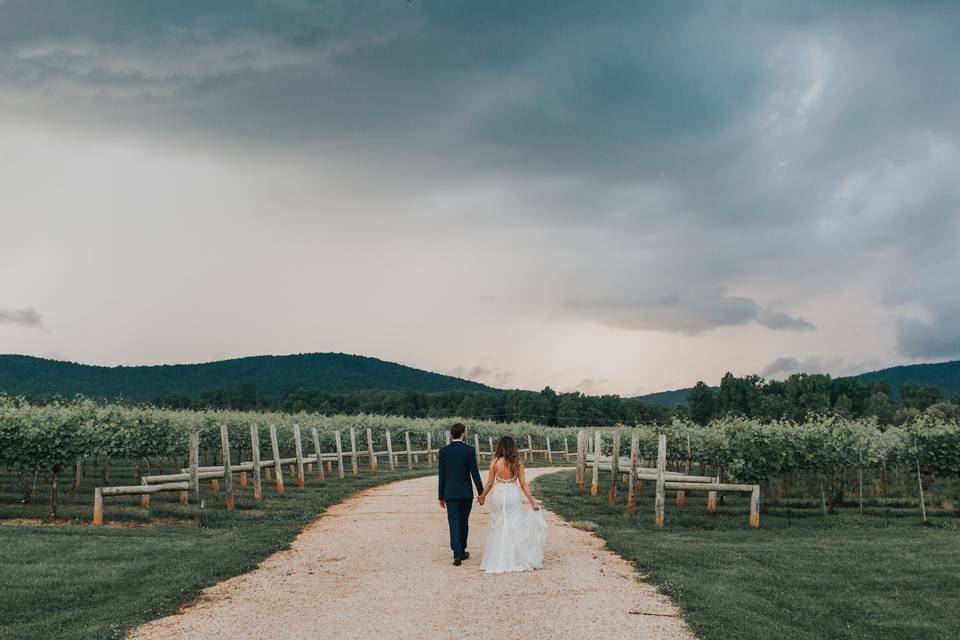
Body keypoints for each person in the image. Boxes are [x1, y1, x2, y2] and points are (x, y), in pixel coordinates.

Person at [477, 435, 548, 573]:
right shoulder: (517, 462)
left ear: (500, 447)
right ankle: (515, 557)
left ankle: (496, 558)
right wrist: (532, 501)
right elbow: (523, 484)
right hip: (512, 494)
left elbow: (490, 483)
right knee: (514, 524)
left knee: (498, 523)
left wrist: (482, 496)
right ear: (512, 447)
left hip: (498, 494)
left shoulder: (495, 462)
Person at [437, 422, 483, 566]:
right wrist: (481, 492)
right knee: (463, 521)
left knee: (453, 522)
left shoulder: (444, 451)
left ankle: (457, 554)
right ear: (463, 434)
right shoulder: (469, 450)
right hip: (465, 493)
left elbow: (442, 475)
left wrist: (441, 496)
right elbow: (474, 473)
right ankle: (462, 549)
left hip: (450, 493)